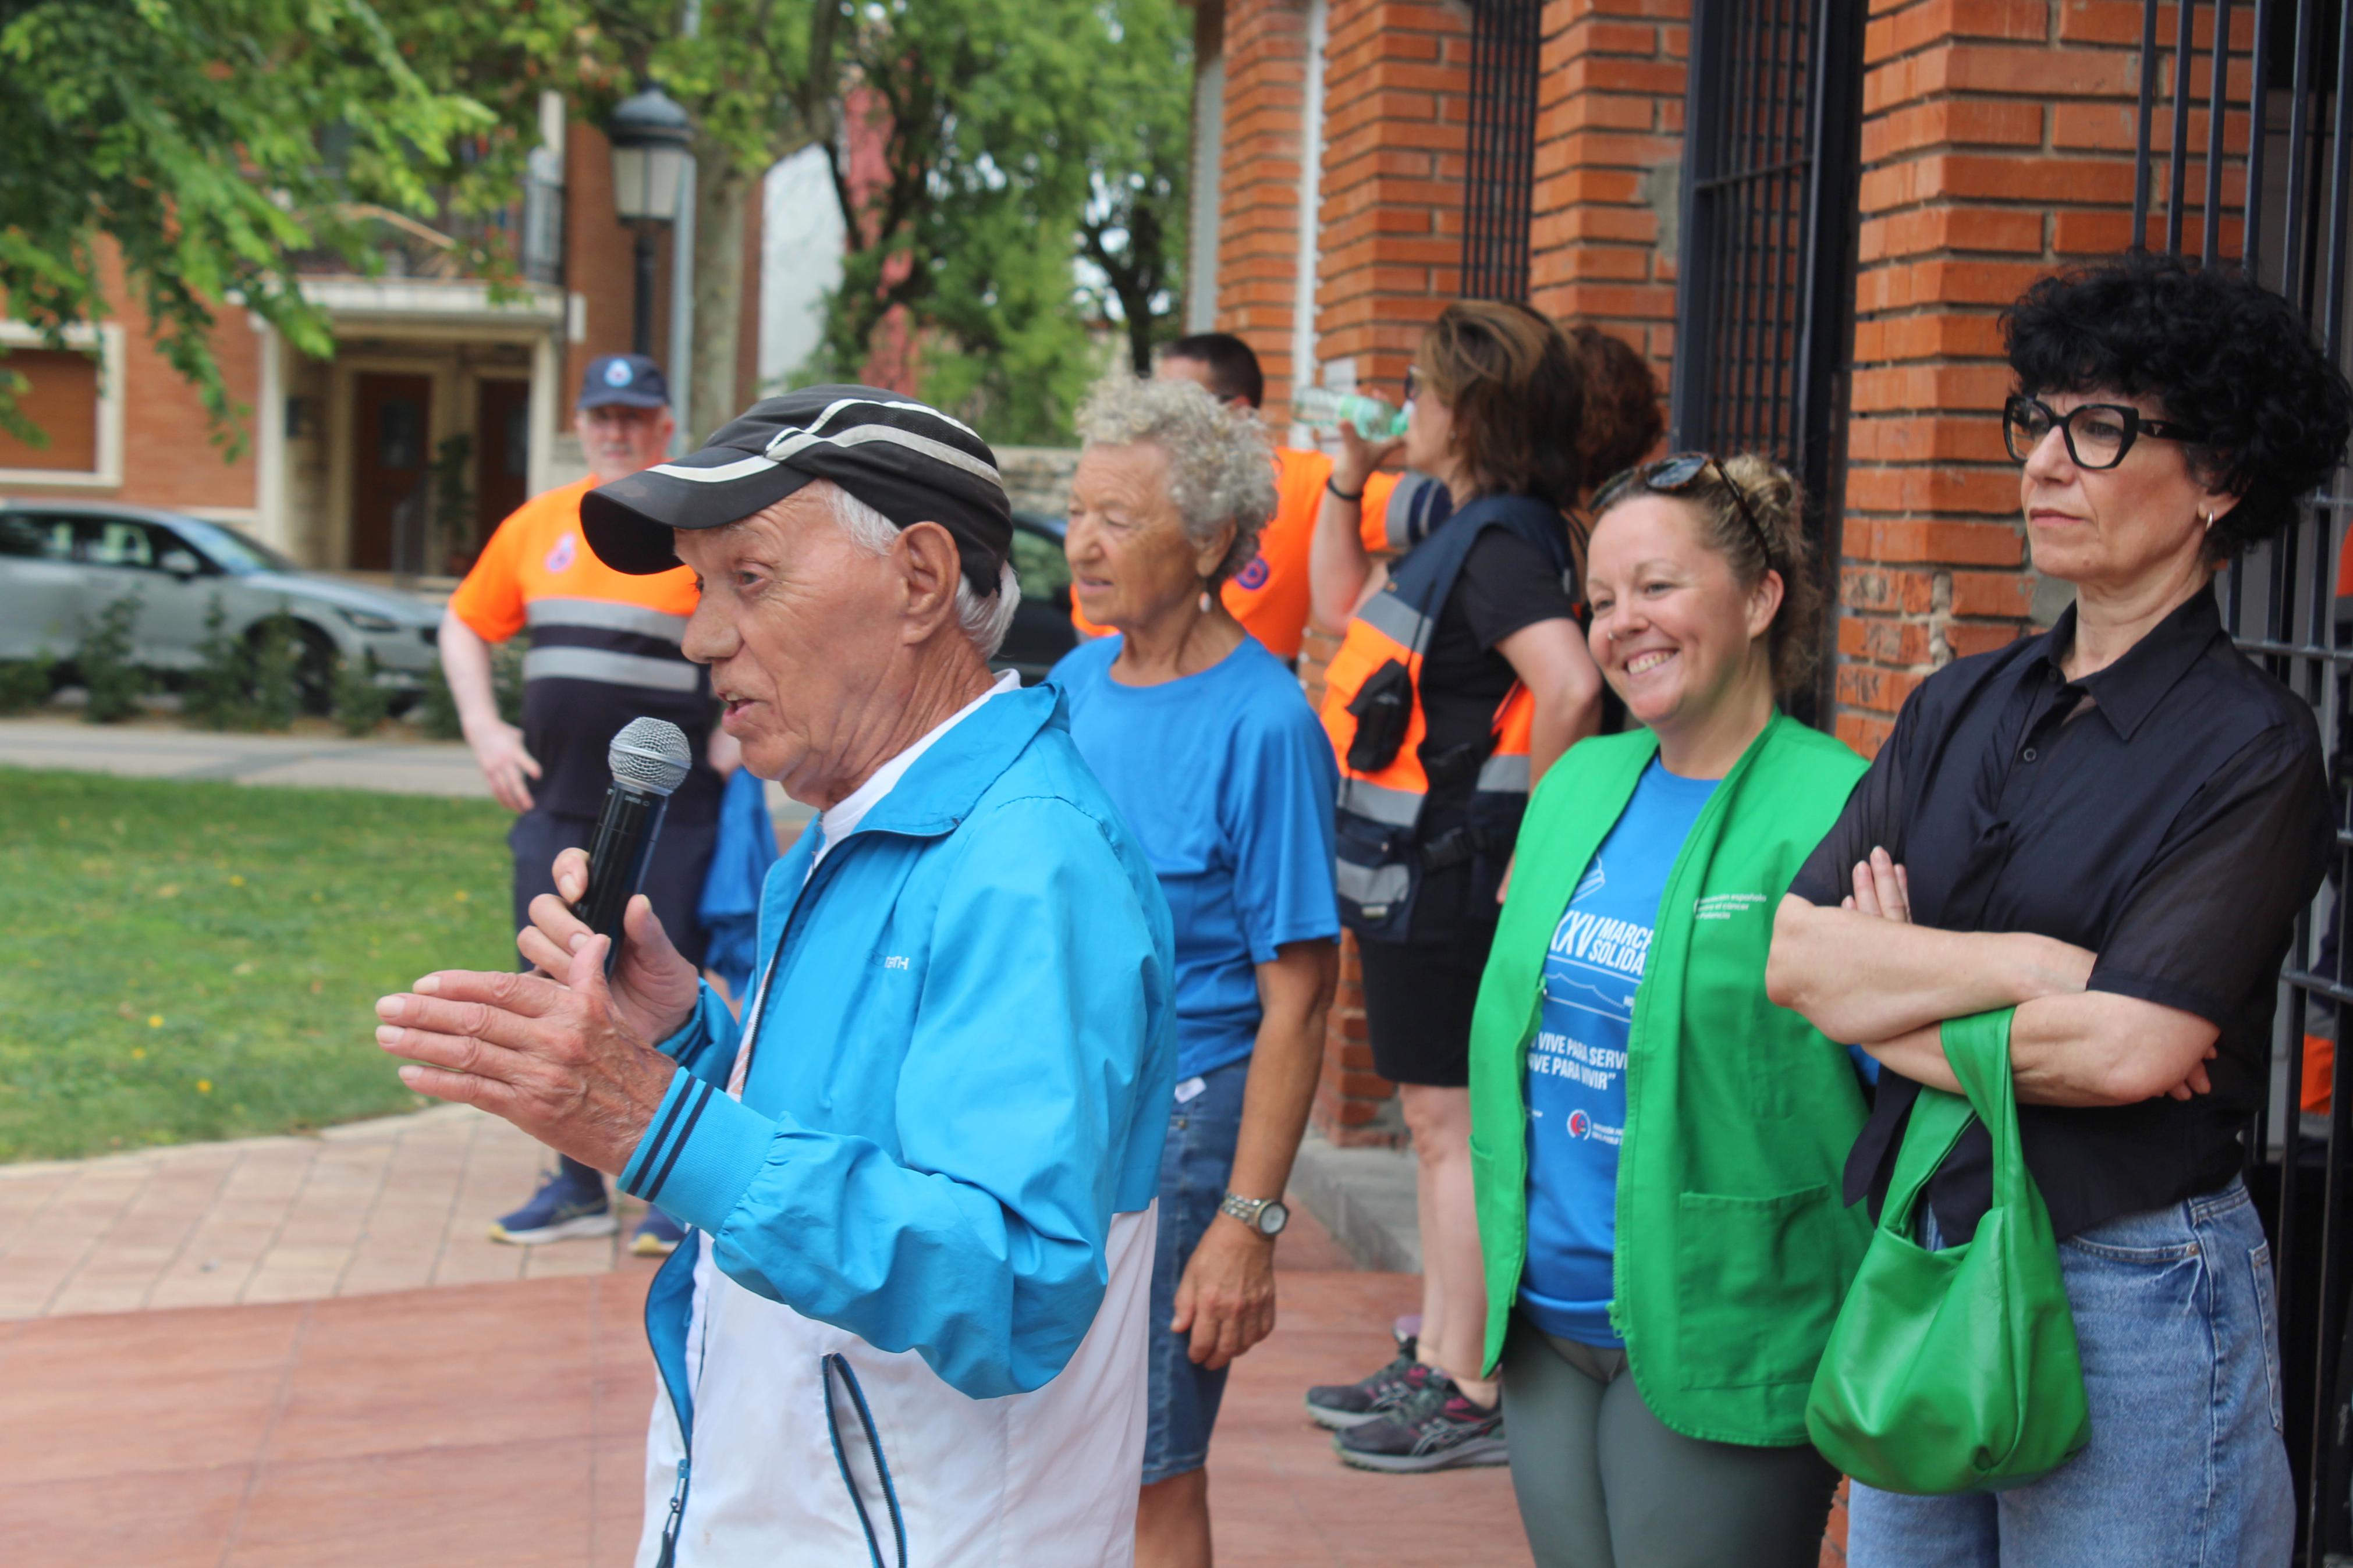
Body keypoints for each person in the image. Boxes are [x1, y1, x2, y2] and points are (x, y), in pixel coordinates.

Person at [376, 386, 1177, 1566]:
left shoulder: (1027, 863)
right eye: (699, 587)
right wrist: (690, 1041)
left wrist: (656, 1125)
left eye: (745, 579)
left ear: (917, 579)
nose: (698, 635)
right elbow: (863, 1128)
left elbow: (1011, 1281)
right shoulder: (867, 822)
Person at [1766, 251, 2353, 1566]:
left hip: (2129, 1282)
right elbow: (1798, 960)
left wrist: (1899, 985)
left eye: (2102, 431)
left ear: (2218, 479)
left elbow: (2130, 1052)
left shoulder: (2250, 746)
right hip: (1931, 1235)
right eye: (2037, 420)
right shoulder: (1955, 703)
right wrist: (2034, 964)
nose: (2043, 463)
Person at [1468, 452, 1869, 1563]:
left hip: (1727, 1315)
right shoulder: (1576, 787)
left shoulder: (1838, 806)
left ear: (1757, 598)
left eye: (1655, 587)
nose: (1619, 624)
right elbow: (1512, 1046)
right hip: (1544, 1320)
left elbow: (1902, 1099)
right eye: (1598, 600)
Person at [1306, 300, 1606, 1469]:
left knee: (1452, 1129)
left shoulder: (1496, 542)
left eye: (1423, 391)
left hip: (1449, 875)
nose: (1408, 408)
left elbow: (1567, 681)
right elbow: (1338, 606)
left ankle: (1467, 1378)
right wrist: (1347, 477)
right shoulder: (1469, 522)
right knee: (1440, 1125)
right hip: (1419, 873)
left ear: (1467, 409)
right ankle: (1439, 1354)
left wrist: (1536, 847)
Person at [1051, 375, 1341, 1568]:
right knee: (1059, 1440)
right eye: (1076, 512)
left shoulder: (1264, 722)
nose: (1082, 541)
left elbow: (1302, 998)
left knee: (1151, 1466)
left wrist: (1246, 1222)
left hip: (1179, 1131)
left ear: (1214, 539)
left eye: (1118, 517)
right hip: (1066, 1114)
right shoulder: (1070, 686)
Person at [439, 351, 731, 1257]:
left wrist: (730, 738)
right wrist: (486, 730)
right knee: (552, 984)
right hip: (556, 804)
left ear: (664, 428)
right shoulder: (535, 525)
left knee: (657, 987)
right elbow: (462, 621)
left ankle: (671, 1185)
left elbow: (745, 623)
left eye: (634, 416)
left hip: (672, 811)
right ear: (580, 423)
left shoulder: (690, 527)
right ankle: (573, 1184)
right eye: (602, 414)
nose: (616, 429)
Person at [1075, 332, 1453, 661]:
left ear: (1237, 412)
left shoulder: (1302, 481)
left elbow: (1444, 507)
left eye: (1179, 401)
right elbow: (1085, 648)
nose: (1159, 416)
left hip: (1238, 706)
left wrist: (1420, 435)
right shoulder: (1122, 487)